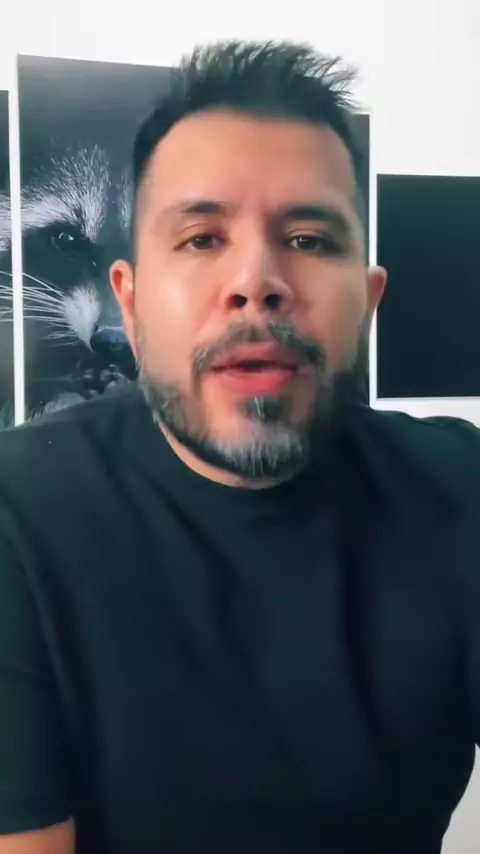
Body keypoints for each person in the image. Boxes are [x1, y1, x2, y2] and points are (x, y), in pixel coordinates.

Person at [0, 39, 479, 854]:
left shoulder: (460, 489)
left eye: (310, 239)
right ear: (131, 302)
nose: (256, 281)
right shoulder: (18, 511)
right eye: (201, 238)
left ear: (368, 303)